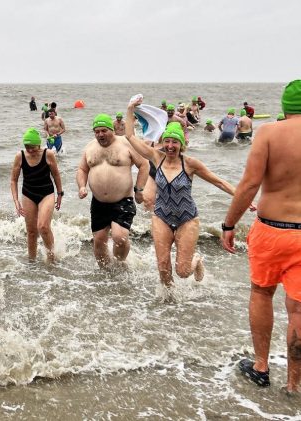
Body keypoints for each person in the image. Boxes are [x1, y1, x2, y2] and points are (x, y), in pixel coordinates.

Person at [221, 80, 301, 394]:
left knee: (262, 293)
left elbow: (250, 184)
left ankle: (261, 367)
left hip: (271, 229)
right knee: (298, 309)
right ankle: (294, 384)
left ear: (284, 106)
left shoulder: (268, 133)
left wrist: (229, 224)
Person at [126, 97, 248, 287]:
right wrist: (130, 109)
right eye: (167, 141)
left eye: (175, 142)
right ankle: (169, 301)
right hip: (161, 216)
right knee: (163, 267)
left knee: (182, 272)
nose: (170, 146)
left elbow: (219, 182)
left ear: (181, 144)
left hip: (187, 218)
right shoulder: (156, 157)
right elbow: (130, 136)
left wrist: (244, 198)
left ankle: (196, 260)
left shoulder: (190, 164)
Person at [76, 114, 149, 268]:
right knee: (98, 240)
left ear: (112, 130)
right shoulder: (89, 147)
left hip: (123, 200)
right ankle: (105, 272)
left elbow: (144, 164)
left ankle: (120, 265)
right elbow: (82, 169)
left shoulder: (126, 144)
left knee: (119, 238)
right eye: (97, 132)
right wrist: (82, 186)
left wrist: (139, 189)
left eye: (104, 131)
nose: (100, 135)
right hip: (98, 203)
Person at [10, 128, 63, 263]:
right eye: (27, 147)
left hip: (46, 193)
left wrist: (60, 193)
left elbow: (56, 175)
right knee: (32, 231)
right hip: (28, 193)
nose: (30, 150)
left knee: (43, 226)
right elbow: (14, 180)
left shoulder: (48, 154)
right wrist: (16, 201)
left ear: (38, 144)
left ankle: (51, 259)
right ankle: (31, 261)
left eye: (32, 147)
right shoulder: (20, 156)